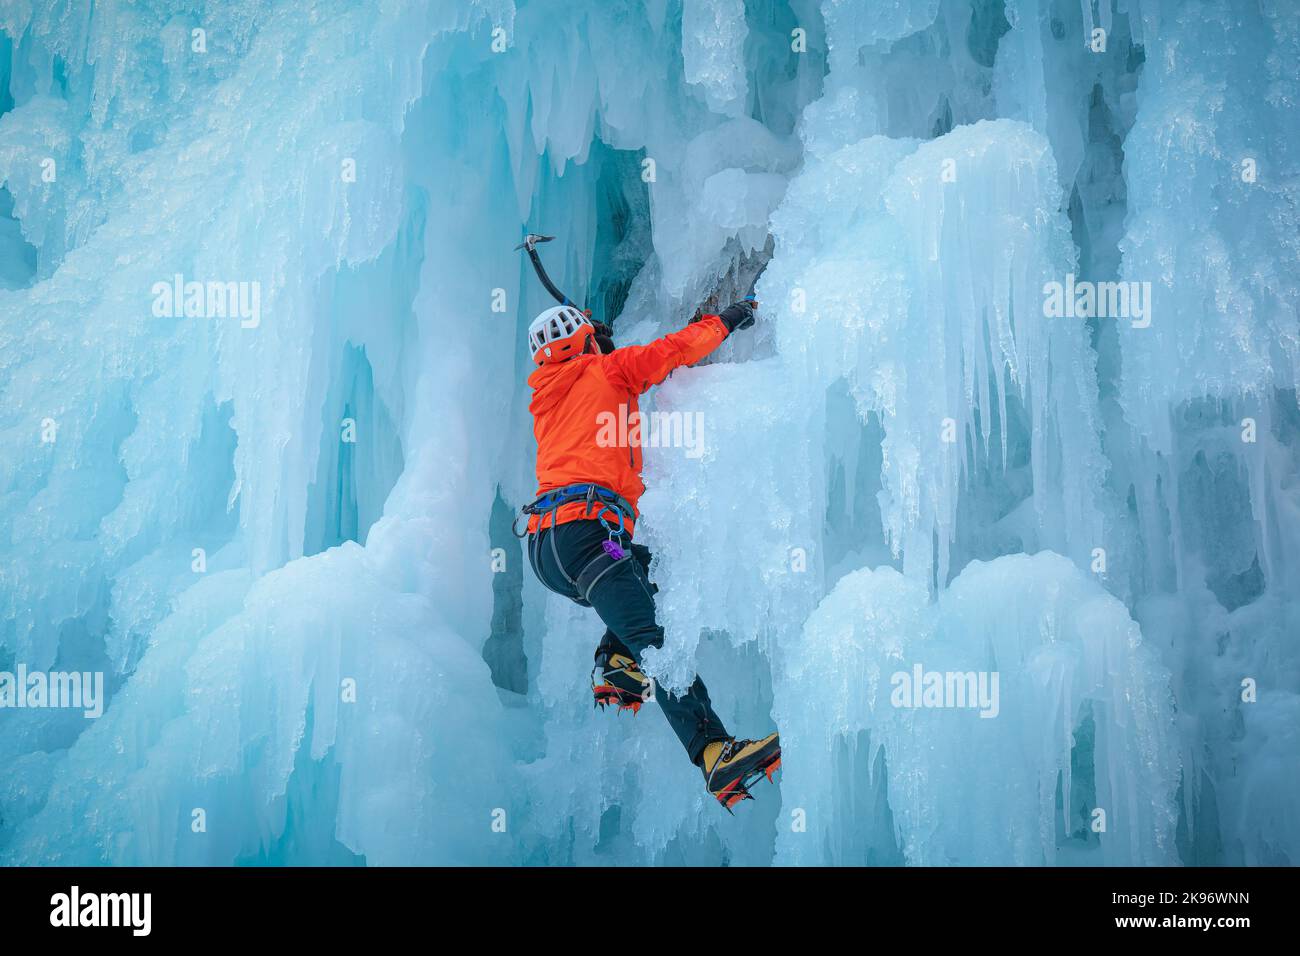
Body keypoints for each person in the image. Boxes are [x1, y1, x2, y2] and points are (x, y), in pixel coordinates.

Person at [518, 299, 780, 810]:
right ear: (586, 341)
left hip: (547, 549)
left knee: (649, 567)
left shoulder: (545, 399)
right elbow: (673, 351)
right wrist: (725, 320)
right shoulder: (610, 368)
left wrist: (596, 344)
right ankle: (713, 751)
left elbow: (587, 406)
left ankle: (614, 663)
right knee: (655, 643)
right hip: (589, 533)